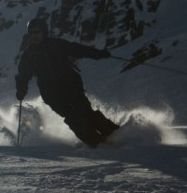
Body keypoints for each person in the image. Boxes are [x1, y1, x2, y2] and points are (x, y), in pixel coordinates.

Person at [15, 18, 119, 147]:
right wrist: (21, 91)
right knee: (72, 117)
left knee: (84, 111)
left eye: (37, 32)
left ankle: (114, 134)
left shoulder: (56, 44)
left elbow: (77, 49)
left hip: (70, 84)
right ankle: (95, 142)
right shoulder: (29, 55)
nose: (34, 36)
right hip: (51, 93)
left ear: (44, 32)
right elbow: (23, 76)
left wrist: (98, 54)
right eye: (31, 33)